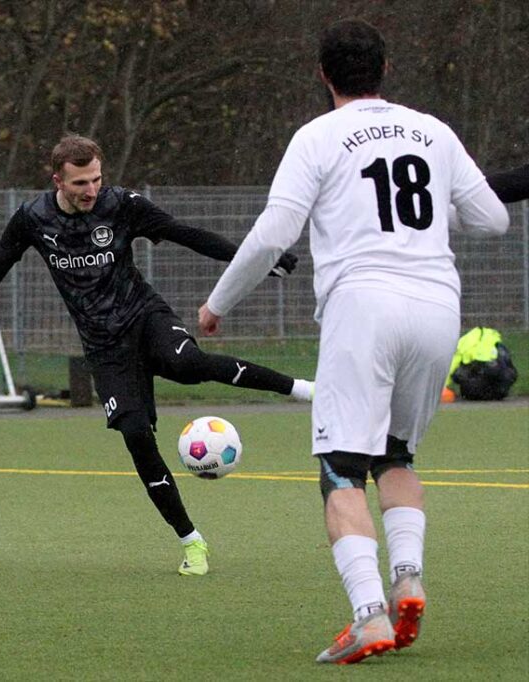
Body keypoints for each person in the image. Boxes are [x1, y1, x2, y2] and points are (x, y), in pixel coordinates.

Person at [197, 19, 509, 664]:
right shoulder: (434, 131)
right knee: (397, 456)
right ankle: (409, 579)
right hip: (437, 307)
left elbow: (273, 232)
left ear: (323, 75)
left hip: (363, 305)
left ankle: (369, 614)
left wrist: (217, 301)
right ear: (385, 69)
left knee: (342, 467)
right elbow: (493, 220)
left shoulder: (317, 136)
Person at [0, 134, 313, 577]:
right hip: (104, 347)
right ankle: (192, 542)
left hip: (144, 317)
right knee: (136, 435)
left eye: (96, 179)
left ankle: (303, 389)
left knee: (188, 365)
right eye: (79, 184)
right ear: (57, 180)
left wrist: (260, 258)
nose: (90, 190)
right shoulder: (32, 218)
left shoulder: (122, 205)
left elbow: (187, 235)